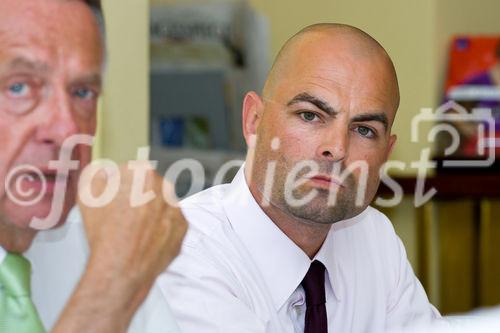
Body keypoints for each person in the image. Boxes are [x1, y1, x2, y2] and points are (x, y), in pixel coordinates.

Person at [159, 23, 440, 332]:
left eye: (364, 130)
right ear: (254, 121)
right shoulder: (184, 253)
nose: (337, 148)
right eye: (310, 115)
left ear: (385, 154)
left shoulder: (374, 240)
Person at [0, 0, 187, 332]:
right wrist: (109, 289)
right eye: (19, 88)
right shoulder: (112, 265)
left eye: (82, 92)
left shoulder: (96, 237)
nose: (68, 129)